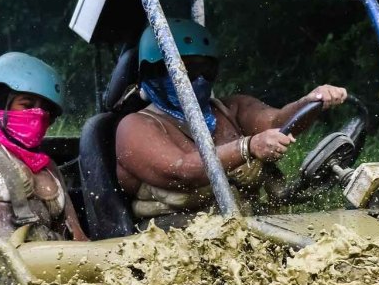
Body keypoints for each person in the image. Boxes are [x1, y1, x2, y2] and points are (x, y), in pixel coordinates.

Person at [114, 19, 346, 220]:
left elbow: (278, 123)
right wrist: (248, 146)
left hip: (246, 231)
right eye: (186, 70)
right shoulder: (135, 127)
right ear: (154, 73)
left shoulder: (231, 109)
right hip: (171, 246)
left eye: (207, 70)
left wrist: (311, 101)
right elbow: (181, 170)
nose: (199, 80)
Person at [0, 52, 88, 243]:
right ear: (0, 102)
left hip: (57, 261)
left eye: (45, 109)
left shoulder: (48, 167)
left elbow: (78, 239)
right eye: (27, 105)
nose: (37, 114)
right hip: (6, 264)